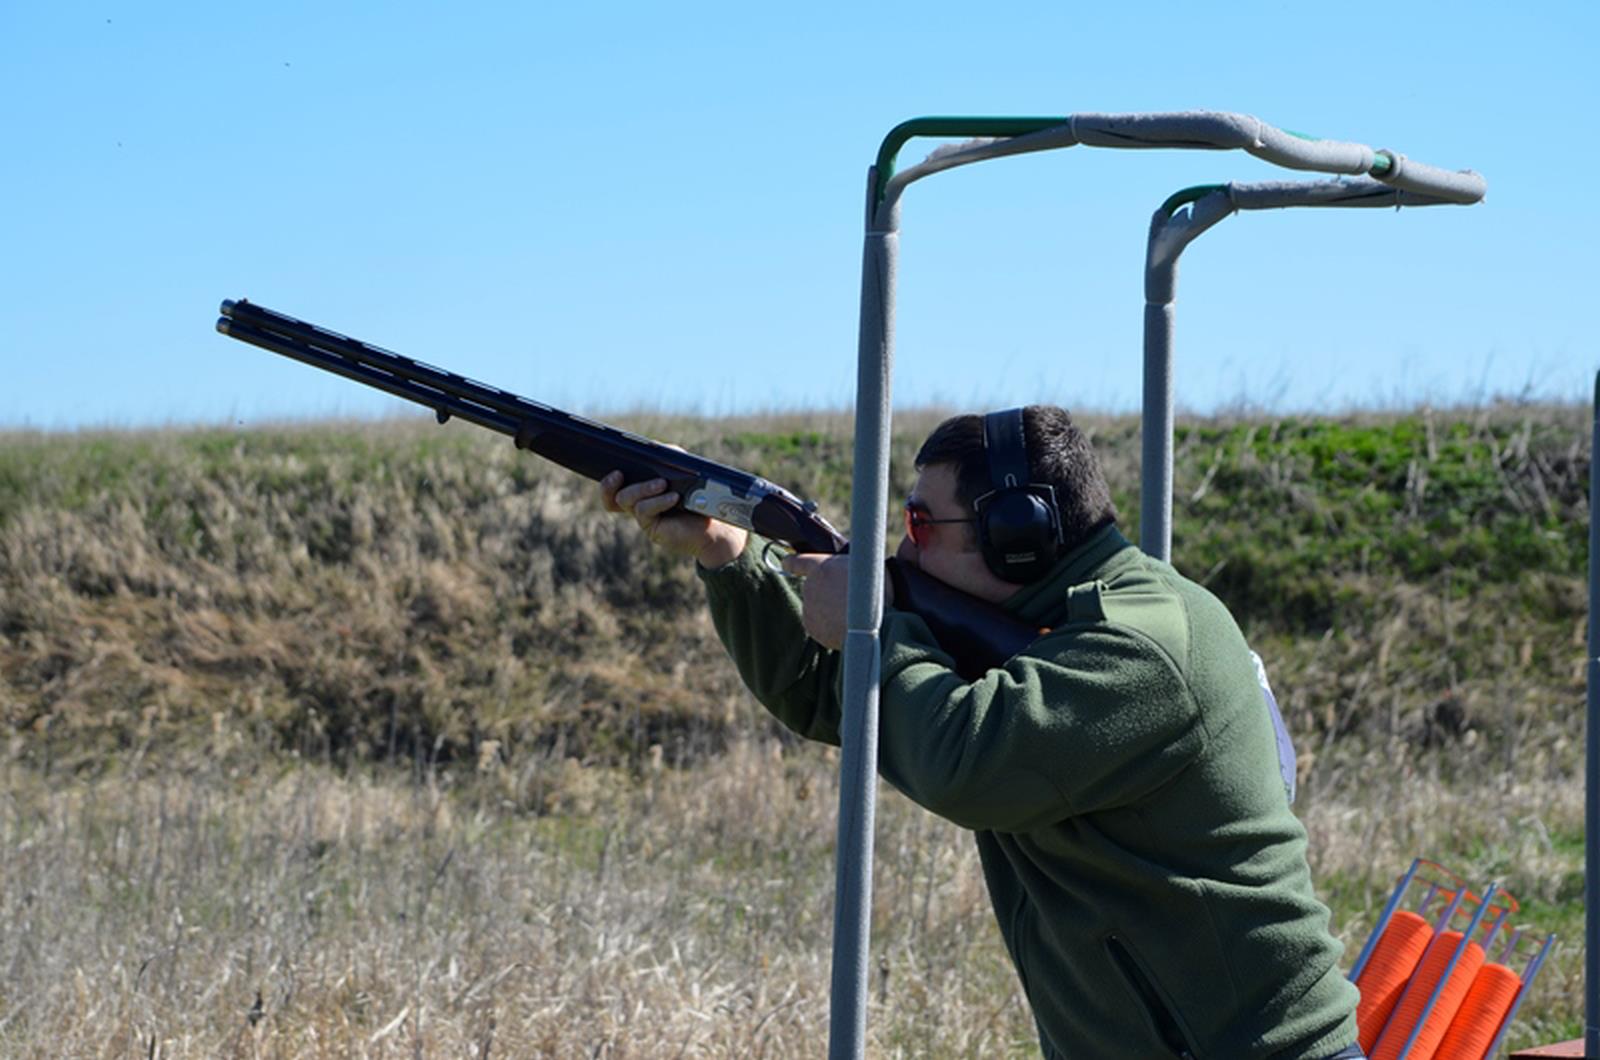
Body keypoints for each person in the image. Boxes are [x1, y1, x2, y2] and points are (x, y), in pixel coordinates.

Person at [599, 405, 1362, 1060]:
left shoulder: (1143, 640)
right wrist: (728, 554)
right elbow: (822, 696)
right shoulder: (1045, 624)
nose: (903, 548)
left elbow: (965, 765)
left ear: (1016, 533)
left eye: (921, 524)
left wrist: (876, 628)